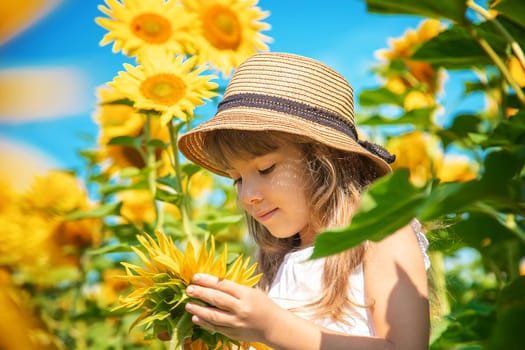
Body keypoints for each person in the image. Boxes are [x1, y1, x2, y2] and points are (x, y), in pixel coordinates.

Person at [176, 52, 430, 350]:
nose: (247, 196)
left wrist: (272, 326)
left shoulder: (381, 232)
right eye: (238, 179)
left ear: (326, 161)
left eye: (265, 169)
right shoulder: (273, 259)